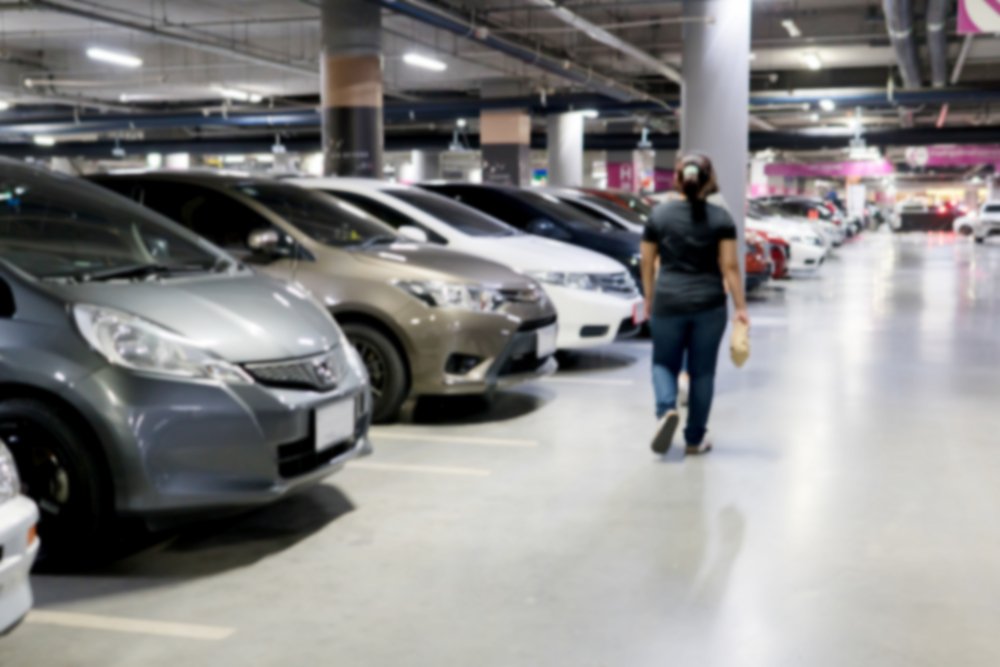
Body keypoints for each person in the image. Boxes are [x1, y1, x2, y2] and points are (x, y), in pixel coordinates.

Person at [640, 153, 750, 456]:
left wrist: (649, 297)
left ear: (677, 179)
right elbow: (730, 267)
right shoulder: (721, 218)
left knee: (664, 362)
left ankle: (666, 411)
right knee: (703, 373)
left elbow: (647, 262)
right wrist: (741, 307)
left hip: (668, 301)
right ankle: (694, 439)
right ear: (710, 179)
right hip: (709, 305)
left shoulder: (658, 215)